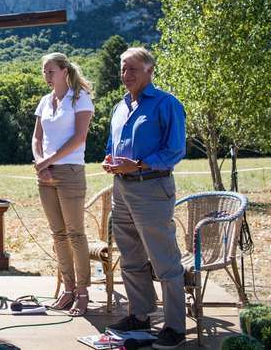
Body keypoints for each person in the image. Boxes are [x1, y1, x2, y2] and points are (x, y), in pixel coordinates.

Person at [102, 47, 187, 350]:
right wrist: (109, 160)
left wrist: (138, 165)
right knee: (130, 256)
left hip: (152, 188)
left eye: (133, 69)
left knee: (164, 260)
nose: (126, 75)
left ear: (150, 71)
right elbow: (112, 144)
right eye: (123, 69)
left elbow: (175, 150)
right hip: (121, 189)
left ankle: (175, 327)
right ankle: (140, 316)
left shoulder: (167, 103)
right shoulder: (120, 106)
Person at [31, 52, 94, 317]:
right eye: (44, 72)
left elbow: (79, 138)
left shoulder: (80, 98)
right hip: (45, 174)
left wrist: (47, 162)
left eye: (51, 71)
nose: (47, 76)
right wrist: (41, 163)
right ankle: (68, 290)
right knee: (58, 234)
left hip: (70, 171)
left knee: (75, 233)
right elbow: (37, 138)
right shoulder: (45, 101)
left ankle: (83, 292)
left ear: (64, 71)